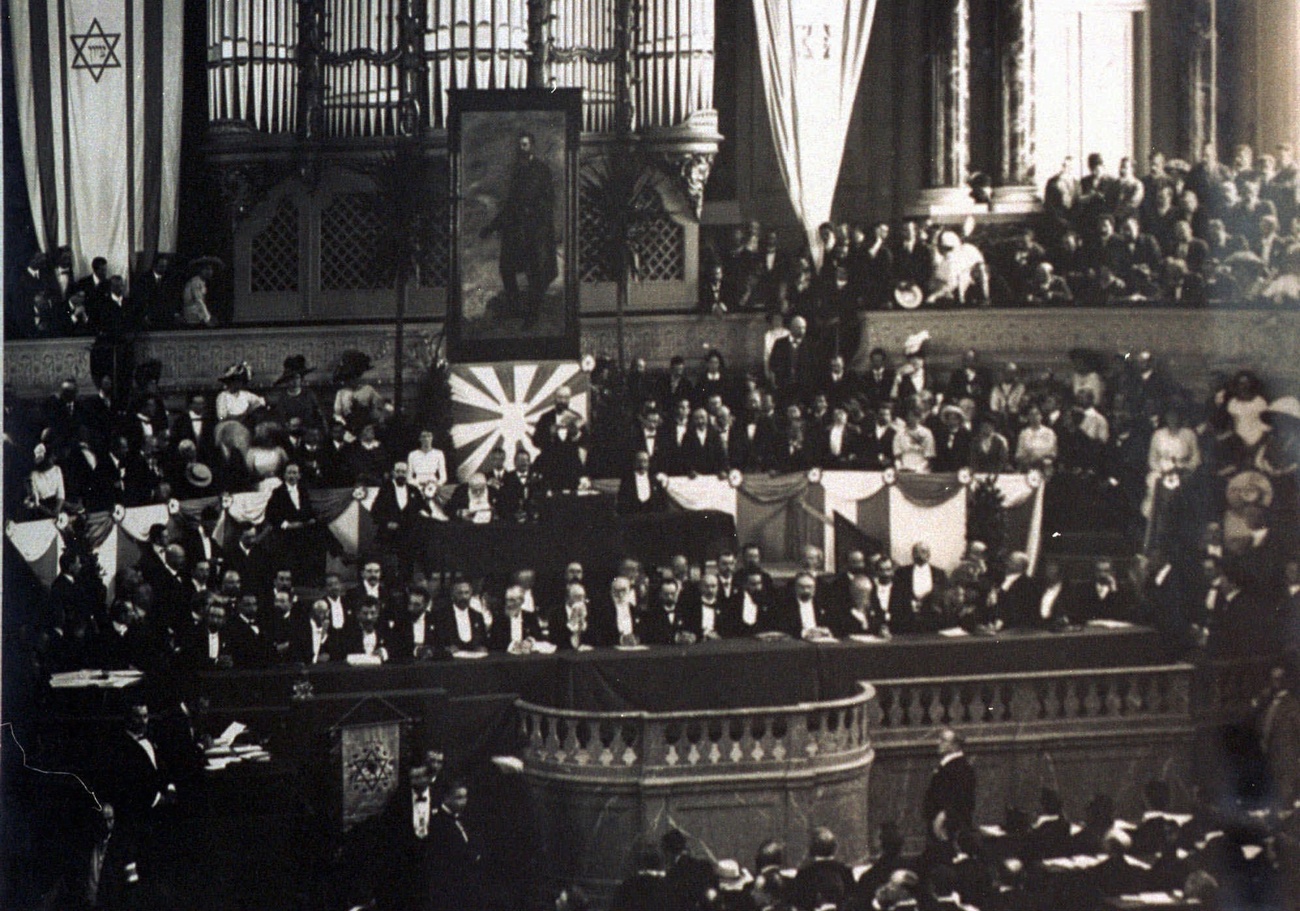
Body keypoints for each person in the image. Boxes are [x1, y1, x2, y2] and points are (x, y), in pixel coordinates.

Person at [480, 131, 558, 326]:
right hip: (517, 229)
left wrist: (534, 215)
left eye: (525, 145)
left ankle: (532, 315)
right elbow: (511, 203)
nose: (521, 148)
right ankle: (515, 307)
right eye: (519, 145)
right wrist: (492, 226)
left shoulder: (541, 170)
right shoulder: (517, 171)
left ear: (531, 146)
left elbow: (548, 200)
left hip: (535, 231)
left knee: (535, 274)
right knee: (507, 268)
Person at [923, 728, 977, 847]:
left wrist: (944, 816)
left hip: (948, 827)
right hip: (939, 825)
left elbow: (962, 800)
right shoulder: (949, 765)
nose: (938, 743)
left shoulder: (961, 768)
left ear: (955, 745)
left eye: (943, 740)